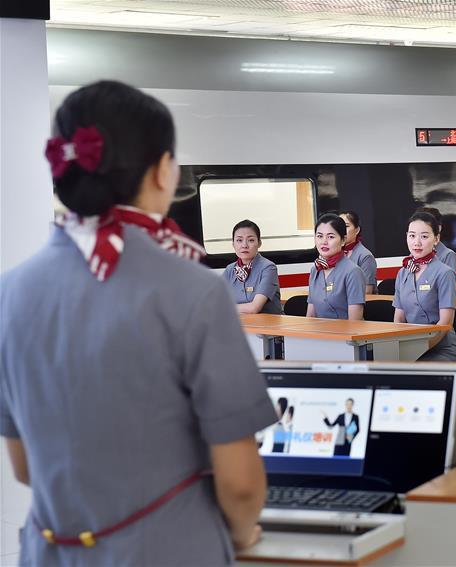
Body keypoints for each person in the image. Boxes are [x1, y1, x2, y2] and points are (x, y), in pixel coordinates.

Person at [0, 81, 275, 565]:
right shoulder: (194, 289)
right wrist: (240, 534)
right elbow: (240, 483)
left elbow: (24, 466)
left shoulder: (11, 290)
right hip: (170, 550)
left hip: (47, 552)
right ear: (163, 171)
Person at [393, 212, 456, 361]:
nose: (416, 242)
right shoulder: (402, 273)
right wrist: (397, 345)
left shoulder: (445, 273)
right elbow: (399, 317)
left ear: (436, 239)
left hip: (439, 348)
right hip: (408, 345)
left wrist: (418, 348)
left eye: (424, 236)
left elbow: (445, 322)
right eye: (412, 236)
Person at [306, 213, 366, 320]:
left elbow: (355, 322)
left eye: (330, 237)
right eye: (319, 236)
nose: (324, 242)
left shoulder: (353, 272)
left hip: (344, 334)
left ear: (343, 240)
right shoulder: (315, 270)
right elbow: (310, 316)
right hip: (318, 334)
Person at [223, 219, 283, 314]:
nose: (244, 245)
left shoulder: (268, 268)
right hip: (237, 325)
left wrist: (225, 308)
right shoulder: (229, 270)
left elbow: (254, 308)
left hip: (267, 327)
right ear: (233, 244)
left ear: (259, 243)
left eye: (250, 240)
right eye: (239, 240)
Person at [339, 210, 377, 294]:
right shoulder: (335, 253)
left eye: (346, 226)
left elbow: (367, 292)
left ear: (357, 230)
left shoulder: (365, 256)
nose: (342, 230)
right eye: (339, 227)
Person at [418, 206, 456, 274]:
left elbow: (449, 283)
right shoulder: (412, 255)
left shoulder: (448, 256)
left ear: (439, 228)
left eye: (427, 226)